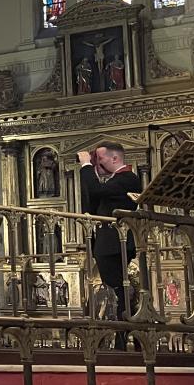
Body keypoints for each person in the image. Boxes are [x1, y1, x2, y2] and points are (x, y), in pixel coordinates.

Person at [77, 141, 144, 348]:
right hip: (109, 244)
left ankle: (126, 338)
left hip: (117, 243)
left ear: (115, 158)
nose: (98, 161)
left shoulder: (128, 178)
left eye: (101, 158)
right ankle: (123, 336)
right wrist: (92, 171)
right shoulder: (114, 182)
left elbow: (96, 192)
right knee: (117, 289)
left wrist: (86, 166)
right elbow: (91, 205)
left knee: (122, 289)